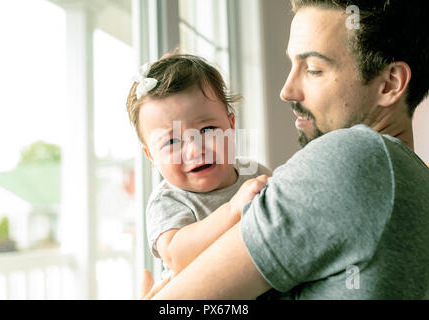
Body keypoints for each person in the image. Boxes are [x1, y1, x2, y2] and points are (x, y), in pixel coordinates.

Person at [142, 0, 429, 299]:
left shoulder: (354, 156)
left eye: (314, 69)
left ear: (389, 84)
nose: (286, 90)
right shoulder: (414, 178)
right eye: (292, 65)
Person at [126, 53, 272, 280]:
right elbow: (178, 255)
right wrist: (233, 210)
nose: (195, 150)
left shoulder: (254, 174)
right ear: (151, 156)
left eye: (207, 130)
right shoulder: (169, 201)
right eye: (172, 141)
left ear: (231, 125)